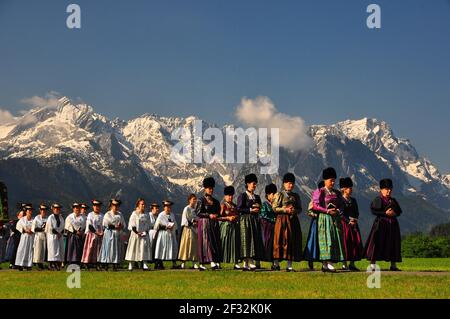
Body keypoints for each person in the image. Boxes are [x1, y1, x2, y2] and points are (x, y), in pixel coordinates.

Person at [364, 178, 403, 272]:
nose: (388, 191)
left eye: (390, 189)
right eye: (386, 189)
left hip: (392, 226)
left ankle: (393, 265)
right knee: (377, 243)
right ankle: (373, 264)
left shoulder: (393, 200)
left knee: (393, 244)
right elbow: (374, 211)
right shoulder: (378, 199)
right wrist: (385, 213)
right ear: (381, 190)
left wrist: (394, 214)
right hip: (381, 225)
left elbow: (399, 211)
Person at [313, 167, 345, 273]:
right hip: (324, 218)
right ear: (325, 180)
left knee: (334, 239)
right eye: (331, 180)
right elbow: (315, 205)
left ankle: (327, 264)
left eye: (334, 180)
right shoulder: (320, 191)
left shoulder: (337, 193)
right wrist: (327, 211)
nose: (333, 182)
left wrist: (337, 210)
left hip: (335, 218)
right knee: (327, 240)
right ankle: (327, 263)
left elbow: (342, 205)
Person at [272, 173, 303, 272]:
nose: (291, 185)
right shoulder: (279, 195)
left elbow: (300, 209)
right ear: (284, 184)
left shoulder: (296, 196)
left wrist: (294, 210)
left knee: (292, 242)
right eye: (289, 183)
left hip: (293, 221)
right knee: (279, 241)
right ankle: (276, 264)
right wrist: (285, 210)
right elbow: (274, 208)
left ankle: (289, 266)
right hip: (282, 221)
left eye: (292, 183)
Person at [237, 173, 264, 271]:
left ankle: (250, 261)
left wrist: (258, 209)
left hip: (254, 220)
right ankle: (246, 263)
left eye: (255, 183)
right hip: (245, 220)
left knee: (253, 239)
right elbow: (239, 208)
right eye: (253, 183)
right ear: (247, 184)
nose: (255, 185)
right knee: (246, 240)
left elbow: (260, 207)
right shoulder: (243, 196)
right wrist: (250, 210)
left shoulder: (257, 197)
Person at [195, 177, 222, 271]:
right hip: (204, 224)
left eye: (212, 188)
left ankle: (212, 261)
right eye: (209, 188)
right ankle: (208, 262)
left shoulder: (216, 201)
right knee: (206, 242)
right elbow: (197, 212)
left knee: (214, 242)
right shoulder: (201, 200)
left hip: (213, 224)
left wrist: (215, 215)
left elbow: (219, 213)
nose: (211, 190)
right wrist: (208, 215)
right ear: (205, 188)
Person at [339, 177, 363, 271]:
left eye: (351, 188)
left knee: (355, 243)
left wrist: (355, 219)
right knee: (345, 243)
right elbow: (340, 213)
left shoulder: (353, 200)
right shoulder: (340, 200)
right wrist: (348, 220)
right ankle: (344, 264)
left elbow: (357, 212)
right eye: (349, 188)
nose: (351, 189)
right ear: (343, 189)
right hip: (344, 224)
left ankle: (352, 263)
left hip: (353, 225)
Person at [99, 199, 126, 271]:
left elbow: (123, 224)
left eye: (117, 206)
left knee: (115, 249)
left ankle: (115, 264)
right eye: (114, 205)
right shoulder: (107, 214)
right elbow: (106, 224)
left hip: (117, 233)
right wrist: (115, 227)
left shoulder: (120, 214)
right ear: (111, 206)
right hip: (109, 233)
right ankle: (106, 264)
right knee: (108, 248)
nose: (115, 207)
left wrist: (121, 226)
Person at [125, 198, 152, 271]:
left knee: (144, 248)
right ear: (138, 205)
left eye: (144, 204)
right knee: (133, 248)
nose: (143, 205)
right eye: (142, 204)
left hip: (144, 234)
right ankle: (131, 264)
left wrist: (146, 231)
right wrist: (137, 232)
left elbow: (148, 224)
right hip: (136, 234)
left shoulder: (147, 214)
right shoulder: (134, 213)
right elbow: (132, 224)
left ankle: (145, 264)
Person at [303, 181, 324, 270]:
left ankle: (324, 262)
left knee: (323, 241)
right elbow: (309, 211)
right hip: (316, 222)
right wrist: (316, 215)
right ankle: (310, 259)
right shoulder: (315, 198)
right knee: (313, 241)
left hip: (323, 222)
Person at [219, 186, 241, 270]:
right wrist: (227, 218)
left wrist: (235, 217)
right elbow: (219, 217)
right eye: (228, 195)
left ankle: (235, 262)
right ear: (225, 196)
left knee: (234, 244)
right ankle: (219, 262)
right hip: (225, 227)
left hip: (234, 227)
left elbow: (238, 215)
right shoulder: (223, 206)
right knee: (223, 244)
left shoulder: (235, 206)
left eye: (231, 195)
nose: (230, 197)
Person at [154, 200, 179, 269]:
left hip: (171, 233)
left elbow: (175, 224)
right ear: (164, 207)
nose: (168, 208)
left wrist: (175, 230)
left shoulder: (172, 214)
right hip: (163, 234)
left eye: (169, 207)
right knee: (161, 248)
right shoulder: (161, 215)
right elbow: (157, 226)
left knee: (173, 247)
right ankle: (159, 263)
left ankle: (174, 263)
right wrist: (165, 227)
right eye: (167, 207)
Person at [81, 200, 104, 271]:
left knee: (98, 250)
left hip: (100, 235)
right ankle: (87, 263)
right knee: (90, 248)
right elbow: (90, 226)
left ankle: (97, 264)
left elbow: (104, 225)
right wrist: (97, 232)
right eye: (95, 206)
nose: (97, 207)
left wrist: (102, 232)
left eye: (98, 206)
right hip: (91, 234)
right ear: (93, 207)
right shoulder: (90, 215)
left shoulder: (102, 215)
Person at [178, 194, 199, 269]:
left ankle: (194, 262)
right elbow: (184, 220)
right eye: (193, 199)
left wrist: (197, 222)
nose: (195, 201)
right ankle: (183, 262)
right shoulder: (186, 208)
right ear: (189, 200)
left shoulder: (195, 209)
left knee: (194, 246)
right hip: (187, 229)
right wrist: (192, 222)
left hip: (194, 230)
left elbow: (197, 218)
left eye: (195, 199)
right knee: (186, 245)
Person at [260, 183, 277, 270]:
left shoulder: (276, 205)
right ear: (268, 195)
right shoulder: (265, 204)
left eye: (274, 194)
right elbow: (263, 215)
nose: (273, 196)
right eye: (272, 194)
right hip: (267, 228)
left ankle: (275, 263)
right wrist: (273, 220)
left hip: (276, 228)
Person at [45, 203, 65, 271]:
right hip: (52, 236)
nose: (57, 210)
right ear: (53, 209)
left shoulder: (61, 217)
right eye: (55, 208)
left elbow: (63, 226)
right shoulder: (51, 217)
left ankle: (58, 263)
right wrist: (57, 233)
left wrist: (60, 233)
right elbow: (50, 227)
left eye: (58, 209)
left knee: (60, 249)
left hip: (59, 236)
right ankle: (52, 264)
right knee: (53, 250)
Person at [15, 204, 35, 271]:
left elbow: (36, 227)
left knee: (29, 250)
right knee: (22, 249)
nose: (29, 212)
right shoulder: (22, 219)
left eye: (31, 210)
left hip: (31, 237)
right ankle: (20, 264)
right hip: (24, 236)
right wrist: (24, 230)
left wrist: (32, 230)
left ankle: (28, 265)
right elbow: (18, 226)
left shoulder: (33, 220)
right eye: (28, 210)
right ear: (26, 212)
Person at [32, 203, 48, 270]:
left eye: (44, 209)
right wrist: (41, 229)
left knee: (43, 249)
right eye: (42, 209)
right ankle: (37, 263)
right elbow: (34, 228)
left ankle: (41, 262)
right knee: (38, 249)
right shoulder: (37, 218)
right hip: (38, 234)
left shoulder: (47, 218)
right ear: (40, 210)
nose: (43, 211)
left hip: (44, 235)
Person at [149, 202, 160, 269]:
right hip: (151, 232)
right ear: (152, 209)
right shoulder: (149, 215)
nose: (157, 210)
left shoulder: (158, 216)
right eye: (156, 208)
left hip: (157, 232)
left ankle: (156, 261)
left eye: (158, 208)